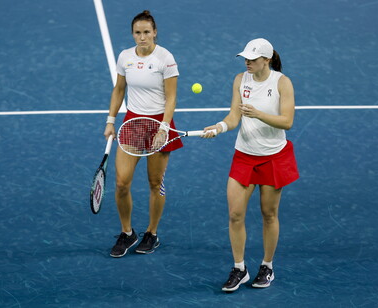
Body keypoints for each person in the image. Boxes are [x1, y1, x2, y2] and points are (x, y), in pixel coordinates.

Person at [202, 38, 299, 291]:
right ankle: (239, 268)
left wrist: (258, 114)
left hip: (273, 156)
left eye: (253, 59)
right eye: (245, 57)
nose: (247, 62)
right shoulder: (240, 80)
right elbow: (234, 116)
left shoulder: (282, 83)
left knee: (269, 214)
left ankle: (267, 266)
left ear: (266, 60)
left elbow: (287, 121)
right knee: (235, 214)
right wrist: (220, 127)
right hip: (244, 155)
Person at [103, 10, 182, 258]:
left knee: (154, 183)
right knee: (121, 183)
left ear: (155, 32)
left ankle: (152, 233)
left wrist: (165, 127)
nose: (142, 37)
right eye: (138, 32)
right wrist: (110, 120)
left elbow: (171, 97)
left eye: (147, 32)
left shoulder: (165, 58)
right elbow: (119, 90)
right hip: (133, 123)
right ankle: (127, 233)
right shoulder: (125, 57)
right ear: (132, 34)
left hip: (159, 123)